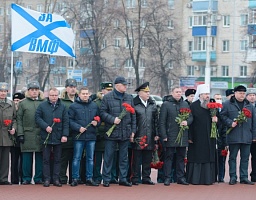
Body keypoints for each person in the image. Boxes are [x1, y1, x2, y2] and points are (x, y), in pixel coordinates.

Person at [100, 76, 136, 187]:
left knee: (123, 157)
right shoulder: (107, 97)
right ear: (116, 85)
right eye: (123, 84)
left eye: (126, 85)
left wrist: (133, 131)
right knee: (109, 156)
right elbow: (102, 112)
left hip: (125, 132)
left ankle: (123, 178)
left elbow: (133, 115)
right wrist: (112, 119)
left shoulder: (129, 97)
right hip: (112, 132)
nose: (126, 86)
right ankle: (106, 178)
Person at [220, 85, 256, 185]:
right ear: (235, 93)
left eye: (244, 93)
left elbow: (254, 122)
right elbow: (222, 116)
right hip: (233, 135)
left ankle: (244, 177)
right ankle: (233, 176)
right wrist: (230, 123)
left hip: (246, 136)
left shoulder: (250, 106)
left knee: (245, 158)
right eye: (240, 93)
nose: (242, 95)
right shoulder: (227, 104)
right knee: (232, 157)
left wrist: (253, 136)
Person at [35, 88, 69, 187]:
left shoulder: (62, 106)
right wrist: (45, 126)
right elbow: (37, 118)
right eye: (52, 95)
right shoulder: (42, 106)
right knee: (46, 159)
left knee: (58, 159)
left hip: (58, 136)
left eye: (55, 95)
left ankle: (56, 179)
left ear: (58, 95)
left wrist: (64, 135)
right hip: (46, 136)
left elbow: (66, 121)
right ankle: (46, 179)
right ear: (48, 96)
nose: (54, 97)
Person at [159, 87, 193, 186]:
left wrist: (187, 122)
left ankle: (180, 177)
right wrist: (164, 135)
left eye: (180, 92)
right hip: (170, 135)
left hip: (182, 135)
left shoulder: (185, 104)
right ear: (172, 93)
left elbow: (191, 117)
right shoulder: (166, 104)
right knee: (168, 157)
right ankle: (167, 178)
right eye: (177, 92)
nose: (179, 94)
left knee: (181, 157)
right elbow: (162, 121)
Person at [69, 87, 100, 187]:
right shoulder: (73, 106)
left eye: (87, 93)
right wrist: (78, 128)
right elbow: (70, 120)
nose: (85, 95)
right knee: (76, 158)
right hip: (79, 136)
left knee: (90, 159)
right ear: (79, 95)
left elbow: (99, 118)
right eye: (83, 93)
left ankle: (89, 178)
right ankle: (75, 178)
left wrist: (97, 123)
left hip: (91, 136)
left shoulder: (94, 105)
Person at [186, 84, 216, 185]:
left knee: (208, 156)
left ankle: (208, 179)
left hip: (210, 136)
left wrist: (216, 119)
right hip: (197, 136)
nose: (207, 96)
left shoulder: (212, 105)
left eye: (208, 94)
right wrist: (190, 137)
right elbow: (190, 122)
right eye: (205, 94)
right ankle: (195, 179)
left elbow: (218, 119)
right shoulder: (193, 106)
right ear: (200, 95)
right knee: (197, 156)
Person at [17, 81, 45, 185]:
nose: (34, 92)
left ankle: (38, 178)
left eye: (36, 90)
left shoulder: (43, 102)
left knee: (39, 157)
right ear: (28, 91)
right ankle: (26, 178)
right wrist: (20, 134)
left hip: (40, 134)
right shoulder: (23, 103)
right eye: (32, 90)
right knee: (26, 158)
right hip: (27, 133)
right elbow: (19, 119)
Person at [131, 82, 159, 185]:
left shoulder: (152, 104)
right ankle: (135, 177)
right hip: (138, 136)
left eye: (149, 92)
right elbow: (132, 120)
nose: (148, 94)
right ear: (140, 93)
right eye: (146, 92)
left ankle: (146, 177)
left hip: (150, 135)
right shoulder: (134, 104)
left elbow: (156, 120)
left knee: (147, 158)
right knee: (137, 159)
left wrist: (156, 133)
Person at [93, 82, 118, 184]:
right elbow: (95, 118)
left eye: (111, 90)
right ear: (102, 90)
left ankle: (111, 176)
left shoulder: (113, 101)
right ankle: (97, 177)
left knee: (110, 157)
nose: (109, 92)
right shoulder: (96, 103)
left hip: (111, 132)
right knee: (98, 158)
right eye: (107, 90)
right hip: (100, 132)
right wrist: (97, 133)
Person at [59, 79, 78, 184]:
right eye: (70, 87)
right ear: (66, 88)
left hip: (78, 134)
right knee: (64, 158)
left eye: (74, 86)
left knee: (75, 158)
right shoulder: (62, 102)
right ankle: (62, 178)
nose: (73, 89)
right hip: (66, 134)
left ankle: (73, 178)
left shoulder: (79, 100)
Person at [0, 82, 16, 185]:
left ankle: (4, 179)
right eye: (1, 91)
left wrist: (14, 128)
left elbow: (15, 118)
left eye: (4, 91)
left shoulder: (11, 104)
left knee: (5, 159)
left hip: (6, 135)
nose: (3, 93)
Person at [11, 92, 25, 184]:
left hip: (23, 138)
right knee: (14, 160)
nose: (16, 102)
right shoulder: (11, 109)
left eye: (18, 100)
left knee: (23, 161)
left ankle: (23, 178)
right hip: (13, 139)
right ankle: (14, 179)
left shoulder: (23, 109)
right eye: (15, 100)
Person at [213, 93, 227, 182]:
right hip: (213, 140)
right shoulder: (211, 111)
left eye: (220, 98)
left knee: (222, 160)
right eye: (217, 98)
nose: (219, 100)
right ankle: (214, 176)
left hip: (221, 140)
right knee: (214, 161)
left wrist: (225, 143)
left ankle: (221, 177)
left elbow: (224, 128)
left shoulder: (224, 110)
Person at [246, 88, 256, 182]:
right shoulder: (244, 106)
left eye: (254, 95)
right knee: (245, 157)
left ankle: (254, 175)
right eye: (250, 95)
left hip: (255, 136)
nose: (252, 97)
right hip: (246, 135)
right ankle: (243, 176)